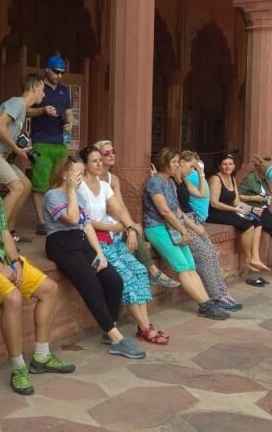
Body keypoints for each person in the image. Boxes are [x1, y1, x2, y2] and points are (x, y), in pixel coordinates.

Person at [0, 144, 75, 396]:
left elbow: (4, 232)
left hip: (3, 259)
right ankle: (18, 368)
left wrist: (15, 262)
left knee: (49, 289)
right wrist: (0, 267)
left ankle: (42, 356)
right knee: (13, 298)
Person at [44, 154, 145, 357]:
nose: (80, 178)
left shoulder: (79, 196)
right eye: (76, 174)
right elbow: (72, 219)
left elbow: (86, 224)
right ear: (64, 175)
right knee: (92, 285)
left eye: (82, 174)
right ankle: (117, 338)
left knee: (114, 280)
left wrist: (98, 251)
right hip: (61, 243)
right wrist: (71, 190)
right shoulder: (52, 195)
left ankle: (110, 328)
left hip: (81, 241)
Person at [79, 146, 169, 345]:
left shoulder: (104, 186)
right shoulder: (80, 187)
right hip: (92, 241)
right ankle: (145, 327)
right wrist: (114, 226)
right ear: (84, 165)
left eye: (100, 160)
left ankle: (144, 324)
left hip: (111, 237)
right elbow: (84, 220)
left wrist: (130, 228)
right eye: (94, 161)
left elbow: (119, 209)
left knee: (139, 269)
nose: (99, 164)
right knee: (125, 276)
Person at [143, 148, 230, 320]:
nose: (177, 165)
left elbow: (177, 210)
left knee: (190, 264)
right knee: (182, 266)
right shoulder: (155, 182)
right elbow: (164, 211)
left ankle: (207, 301)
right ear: (164, 162)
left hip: (173, 226)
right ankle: (204, 304)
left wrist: (191, 227)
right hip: (157, 227)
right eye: (174, 162)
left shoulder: (170, 182)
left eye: (178, 162)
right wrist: (183, 230)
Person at [94, 140, 180, 289]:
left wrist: (131, 226)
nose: (111, 155)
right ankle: (153, 271)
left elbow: (121, 206)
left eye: (113, 151)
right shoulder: (91, 178)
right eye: (106, 153)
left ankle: (149, 271)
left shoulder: (113, 179)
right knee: (130, 231)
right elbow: (110, 208)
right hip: (98, 220)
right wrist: (128, 226)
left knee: (134, 230)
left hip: (113, 219)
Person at [0, 73, 46, 242]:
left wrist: (18, 148)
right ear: (34, 87)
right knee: (17, 187)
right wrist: (17, 149)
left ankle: (10, 230)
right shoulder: (17, 102)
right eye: (42, 90)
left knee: (26, 185)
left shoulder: (22, 109)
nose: (44, 95)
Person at [174, 152, 243, 309]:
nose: (192, 170)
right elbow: (175, 210)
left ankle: (223, 293)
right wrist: (195, 227)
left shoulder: (183, 180)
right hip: (183, 223)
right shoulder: (170, 182)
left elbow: (202, 194)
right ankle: (215, 296)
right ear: (181, 162)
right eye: (191, 166)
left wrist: (201, 173)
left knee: (212, 254)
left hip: (193, 220)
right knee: (204, 256)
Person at [27, 55, 73, 236]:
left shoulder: (64, 90)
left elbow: (69, 112)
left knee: (60, 180)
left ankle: (58, 217)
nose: (59, 76)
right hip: (41, 141)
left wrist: (70, 123)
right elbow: (26, 110)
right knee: (40, 183)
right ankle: (41, 221)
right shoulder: (39, 87)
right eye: (56, 72)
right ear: (47, 69)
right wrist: (42, 110)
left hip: (60, 142)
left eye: (62, 73)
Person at [206, 152, 268, 274]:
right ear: (220, 166)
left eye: (230, 164)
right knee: (246, 225)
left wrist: (252, 209)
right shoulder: (216, 179)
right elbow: (214, 203)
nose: (227, 167)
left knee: (257, 221)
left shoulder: (232, 178)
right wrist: (236, 210)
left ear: (234, 165)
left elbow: (236, 202)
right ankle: (248, 259)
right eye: (224, 164)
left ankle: (255, 257)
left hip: (229, 210)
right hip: (215, 213)